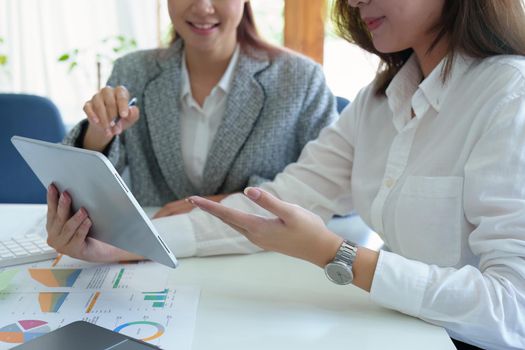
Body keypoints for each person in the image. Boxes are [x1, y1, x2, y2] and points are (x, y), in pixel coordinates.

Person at [46, 0, 525, 348]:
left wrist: (333, 253)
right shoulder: (377, 102)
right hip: (404, 329)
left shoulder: (510, 96)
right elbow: (275, 201)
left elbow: (513, 313)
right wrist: (125, 244)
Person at [62, 0, 337, 218]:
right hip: (159, 258)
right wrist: (98, 133)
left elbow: (334, 189)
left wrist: (225, 206)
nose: (204, 7)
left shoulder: (300, 78)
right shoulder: (133, 71)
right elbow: (77, 188)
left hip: (260, 257)